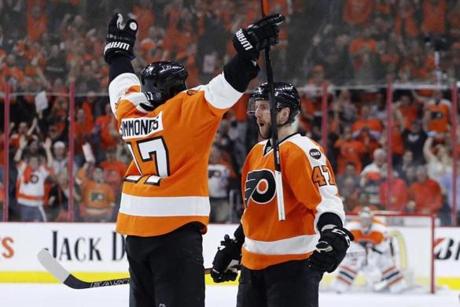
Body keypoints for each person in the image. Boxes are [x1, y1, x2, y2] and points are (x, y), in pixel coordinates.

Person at [103, 12, 285, 307]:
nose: (184, 88)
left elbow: (120, 84)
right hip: (173, 232)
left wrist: (117, 53)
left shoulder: (130, 111)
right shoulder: (184, 113)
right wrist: (247, 54)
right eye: (179, 85)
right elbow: (225, 87)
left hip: (135, 232)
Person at [210, 82, 353, 307]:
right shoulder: (256, 153)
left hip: (293, 268)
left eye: (265, 107)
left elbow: (326, 200)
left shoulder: (303, 150)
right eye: (256, 106)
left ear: (285, 113)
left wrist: (332, 231)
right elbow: (254, 211)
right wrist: (237, 245)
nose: (257, 113)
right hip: (252, 268)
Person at [332, 207, 407, 293]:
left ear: (372, 218)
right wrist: (359, 250)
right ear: (359, 218)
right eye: (363, 219)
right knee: (352, 264)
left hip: (376, 252)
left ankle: (399, 287)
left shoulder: (380, 228)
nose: (365, 221)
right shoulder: (352, 227)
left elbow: (386, 243)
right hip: (358, 251)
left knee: (386, 263)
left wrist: (375, 251)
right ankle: (339, 288)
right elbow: (346, 241)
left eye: (367, 219)